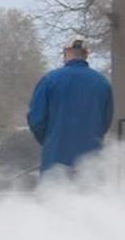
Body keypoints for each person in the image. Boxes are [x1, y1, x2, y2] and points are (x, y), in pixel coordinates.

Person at [27, 38, 114, 175]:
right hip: (92, 160)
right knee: (92, 196)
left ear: (66, 53)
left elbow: (36, 120)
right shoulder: (102, 83)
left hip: (56, 157)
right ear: (86, 54)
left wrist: (50, 140)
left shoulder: (49, 80)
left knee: (56, 195)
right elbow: (105, 121)